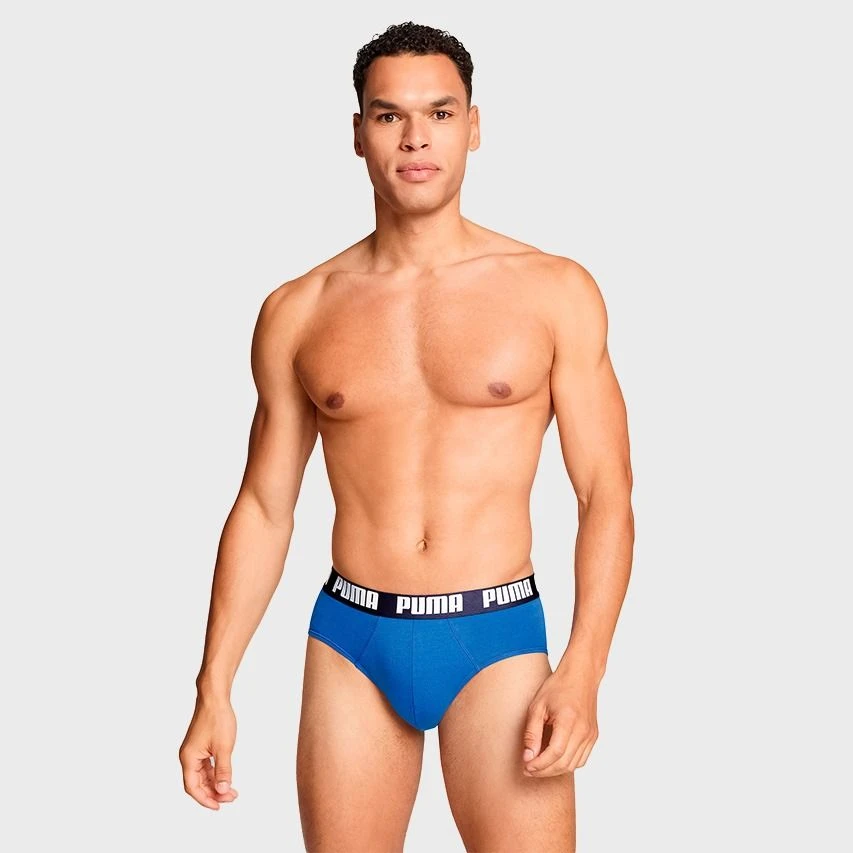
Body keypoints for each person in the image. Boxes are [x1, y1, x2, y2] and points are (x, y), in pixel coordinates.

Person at [179, 20, 634, 853]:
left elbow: (604, 492)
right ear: (358, 132)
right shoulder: (299, 309)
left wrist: (584, 666)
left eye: (439, 113)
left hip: (496, 636)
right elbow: (264, 505)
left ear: (473, 126)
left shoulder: (553, 291)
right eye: (389, 115)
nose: (415, 137)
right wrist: (214, 685)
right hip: (352, 638)